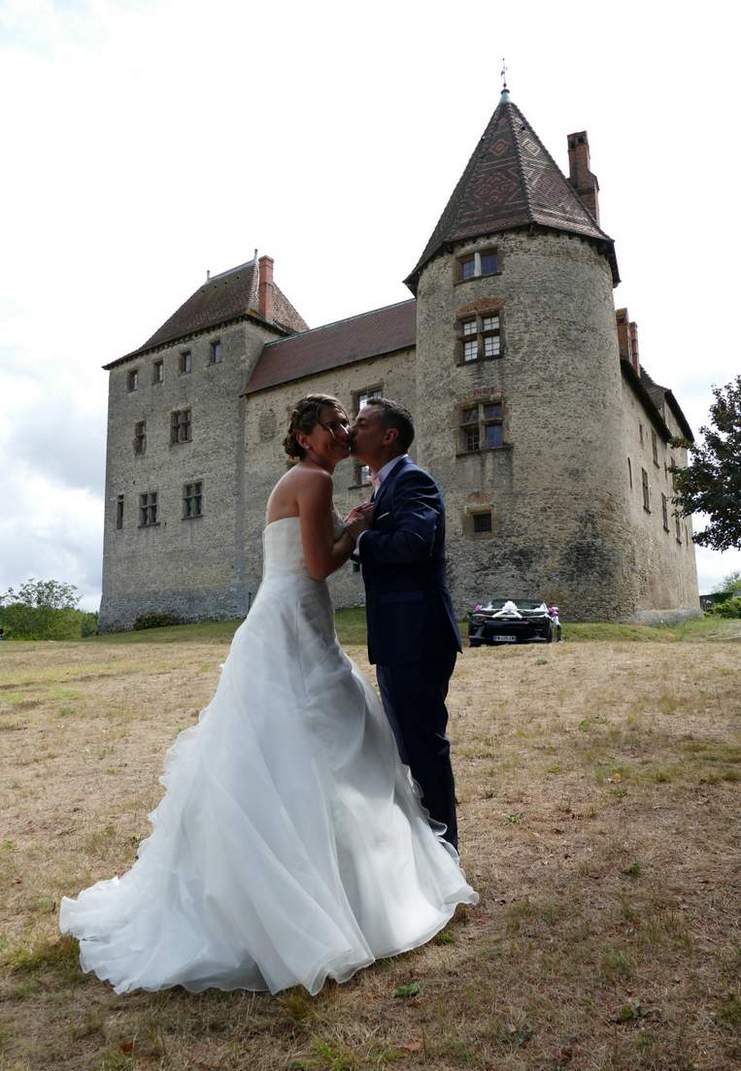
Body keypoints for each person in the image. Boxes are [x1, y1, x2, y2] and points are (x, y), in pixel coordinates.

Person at [59, 393, 477, 996]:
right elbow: (316, 564)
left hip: (299, 619)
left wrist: (357, 527)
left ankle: (357, 869)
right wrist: (357, 528)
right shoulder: (310, 481)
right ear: (305, 435)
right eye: (333, 425)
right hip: (294, 616)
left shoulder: (316, 478)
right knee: (313, 736)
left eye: (348, 424)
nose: (342, 433)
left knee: (316, 735)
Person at [347, 398, 462, 849]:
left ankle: (445, 851)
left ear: (388, 435)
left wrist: (361, 535)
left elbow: (415, 542)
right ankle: (427, 850)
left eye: (361, 423)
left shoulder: (413, 480)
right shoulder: (383, 487)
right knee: (408, 748)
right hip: (399, 638)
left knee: (424, 748)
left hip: (417, 637)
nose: (352, 431)